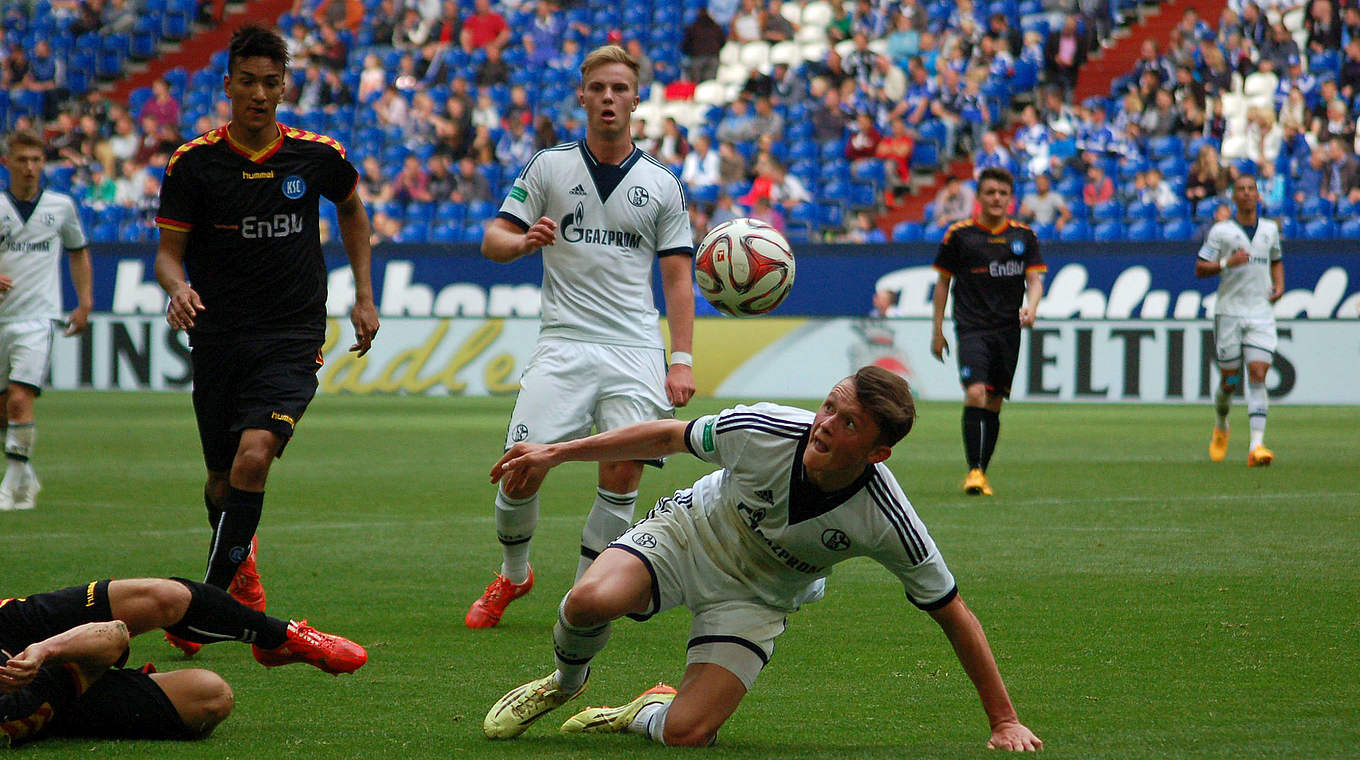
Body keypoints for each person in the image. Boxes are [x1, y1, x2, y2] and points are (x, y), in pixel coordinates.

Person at [479, 366, 1043, 751]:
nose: (825, 424)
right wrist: (557, 452)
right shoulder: (763, 428)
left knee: (686, 734)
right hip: (689, 534)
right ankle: (564, 682)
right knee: (588, 601)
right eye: (829, 406)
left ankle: (640, 712)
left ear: (877, 453)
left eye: (848, 423)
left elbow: (953, 613)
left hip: (758, 597)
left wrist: (1005, 721)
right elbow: (669, 436)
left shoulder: (887, 519)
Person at [152, 24, 380, 648]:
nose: (258, 93)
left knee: (254, 458)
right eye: (248, 82)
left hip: (292, 333)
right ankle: (241, 561)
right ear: (228, 85)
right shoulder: (193, 163)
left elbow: (352, 209)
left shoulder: (317, 155)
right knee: (221, 479)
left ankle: (204, 607)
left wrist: (363, 294)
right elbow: (168, 254)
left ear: (284, 88)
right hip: (219, 336)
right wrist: (177, 287)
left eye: (270, 83)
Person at [468, 44, 696, 629]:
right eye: (599, 88)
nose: (609, 98)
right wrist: (522, 242)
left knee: (621, 477)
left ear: (637, 99)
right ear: (582, 97)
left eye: (620, 89)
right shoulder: (548, 167)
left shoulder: (662, 184)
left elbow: (678, 277)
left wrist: (682, 359)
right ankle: (514, 575)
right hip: (564, 341)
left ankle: (582, 600)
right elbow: (493, 239)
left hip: (635, 348)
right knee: (521, 469)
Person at [0, 576, 365, 747]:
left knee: (166, 597)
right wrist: (49, 655)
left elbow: (115, 632)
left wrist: (42, 649)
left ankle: (276, 637)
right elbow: (113, 636)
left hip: (19, 632)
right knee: (211, 696)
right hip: (55, 684)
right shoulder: (18, 702)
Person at [930, 168, 1045, 496]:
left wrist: (1032, 307)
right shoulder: (959, 235)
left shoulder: (1024, 236)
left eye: (1002, 193)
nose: (996, 198)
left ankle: (981, 470)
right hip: (972, 328)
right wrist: (937, 330)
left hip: (1008, 331)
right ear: (979, 197)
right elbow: (943, 283)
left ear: (1011, 199)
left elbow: (1034, 280)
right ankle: (974, 470)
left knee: (994, 402)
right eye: (990, 192)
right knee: (975, 392)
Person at [0, 129, 94, 512]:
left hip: (38, 318)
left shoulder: (61, 207)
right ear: (7, 162)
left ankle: (10, 488)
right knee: (5, 410)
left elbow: (78, 251)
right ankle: (25, 476)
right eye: (22, 160)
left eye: (36, 160)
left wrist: (84, 302)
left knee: (20, 399)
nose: (29, 167)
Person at [1196, 172, 1284, 466]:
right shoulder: (1221, 231)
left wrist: (1280, 284)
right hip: (1230, 312)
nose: (1246, 193)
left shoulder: (1270, 229)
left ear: (1258, 195)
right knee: (1230, 382)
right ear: (1234, 197)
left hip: (1260, 312)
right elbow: (1200, 268)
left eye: (1251, 189)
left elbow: (1276, 259)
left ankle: (1256, 446)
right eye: (1241, 189)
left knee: (1258, 374)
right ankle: (1221, 425)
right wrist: (1226, 262)